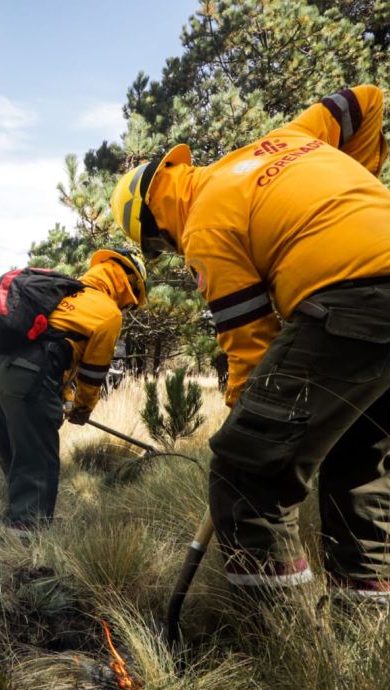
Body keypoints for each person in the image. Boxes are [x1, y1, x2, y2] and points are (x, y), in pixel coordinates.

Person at [110, 85, 390, 606]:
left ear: (155, 216)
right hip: (370, 299)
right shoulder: (286, 138)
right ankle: (365, 624)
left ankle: (282, 644)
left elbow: (251, 348)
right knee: (357, 464)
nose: (167, 251)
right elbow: (365, 100)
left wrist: (249, 416)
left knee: (247, 471)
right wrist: (359, 191)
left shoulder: (204, 223)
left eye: (155, 243)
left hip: (354, 301)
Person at [0, 249, 147, 534]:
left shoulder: (65, 293)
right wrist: (81, 409)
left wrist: (63, 399)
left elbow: (58, 352)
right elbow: (92, 374)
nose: (128, 309)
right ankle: (26, 552)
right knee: (38, 466)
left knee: (20, 461)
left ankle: (7, 533)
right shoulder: (107, 312)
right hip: (28, 379)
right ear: (128, 287)